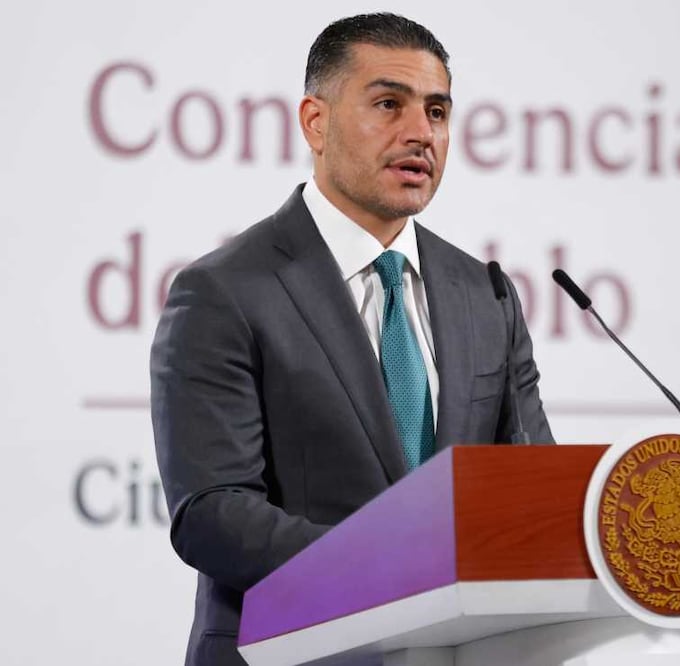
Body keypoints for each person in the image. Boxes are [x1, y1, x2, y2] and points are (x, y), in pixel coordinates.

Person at [150, 13, 552, 666]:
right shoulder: (226, 290)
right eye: (388, 104)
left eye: (438, 111)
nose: (420, 133)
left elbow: (531, 493)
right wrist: (402, 573)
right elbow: (213, 513)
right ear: (315, 121)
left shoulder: (487, 294)